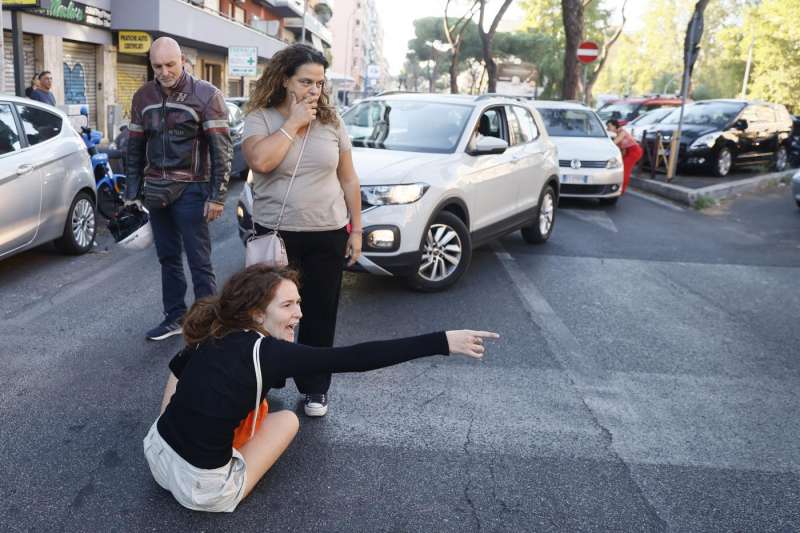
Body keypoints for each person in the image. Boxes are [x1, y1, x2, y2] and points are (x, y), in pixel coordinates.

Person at [143, 264, 498, 513]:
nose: (299, 313)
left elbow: (176, 370)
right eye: (287, 305)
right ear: (255, 314)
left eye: (298, 302)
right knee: (287, 420)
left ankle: (177, 439)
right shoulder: (269, 353)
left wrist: (171, 428)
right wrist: (442, 341)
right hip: (203, 491)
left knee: (247, 401)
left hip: (156, 452)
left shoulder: (216, 329)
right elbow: (357, 358)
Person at [242, 44, 362, 417]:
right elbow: (261, 161)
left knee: (321, 313)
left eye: (320, 82)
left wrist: (356, 229)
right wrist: (292, 123)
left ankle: (315, 387)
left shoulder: (332, 121)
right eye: (306, 81)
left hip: (327, 232)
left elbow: (348, 178)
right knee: (268, 314)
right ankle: (266, 381)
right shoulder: (260, 118)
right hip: (278, 235)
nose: (315, 90)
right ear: (284, 79)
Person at [124, 37, 232, 341]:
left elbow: (222, 149)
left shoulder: (207, 95)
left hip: (193, 189)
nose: (164, 71)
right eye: (157, 66)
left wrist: (217, 196)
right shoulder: (142, 97)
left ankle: (209, 322)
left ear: (182, 60)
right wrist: (132, 194)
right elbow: (134, 148)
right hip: (155, 191)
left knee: (199, 260)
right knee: (167, 257)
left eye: (170, 64)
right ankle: (175, 317)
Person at [606, 119, 643, 194]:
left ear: (615, 126)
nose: (608, 129)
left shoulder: (621, 132)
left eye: (609, 126)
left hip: (634, 152)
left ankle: (622, 190)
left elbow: (614, 143)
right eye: (607, 127)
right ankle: (620, 189)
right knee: (622, 169)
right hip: (628, 152)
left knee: (625, 171)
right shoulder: (618, 133)